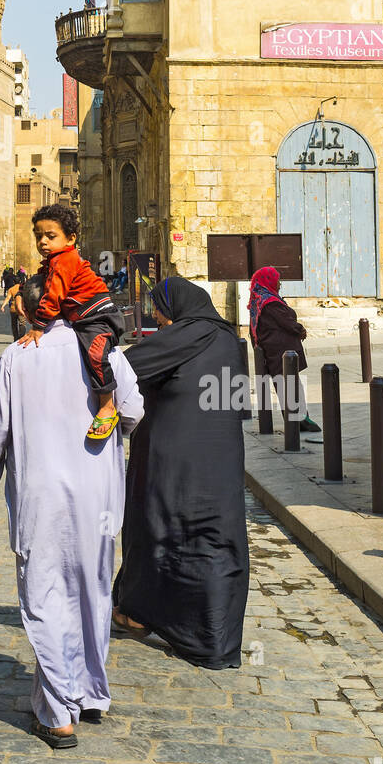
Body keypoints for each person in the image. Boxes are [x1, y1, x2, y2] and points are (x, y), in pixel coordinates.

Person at [0, 274, 144, 747]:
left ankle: (57, 712)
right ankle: (87, 692)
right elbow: (133, 411)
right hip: (97, 498)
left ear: (29, 310)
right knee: (91, 590)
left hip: (41, 498)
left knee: (46, 596)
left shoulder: (16, 358)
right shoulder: (103, 351)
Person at [113, 275, 249, 670]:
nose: (158, 318)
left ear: (177, 309)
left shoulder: (181, 337)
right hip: (221, 464)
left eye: (161, 310)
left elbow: (120, 368)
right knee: (214, 543)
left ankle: (139, 614)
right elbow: (238, 402)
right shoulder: (227, 339)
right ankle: (214, 638)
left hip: (171, 460)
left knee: (158, 528)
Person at [12, 204, 124, 442]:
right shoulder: (54, 260)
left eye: (50, 236)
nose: (43, 241)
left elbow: (53, 295)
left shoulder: (65, 260)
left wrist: (38, 326)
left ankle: (106, 405)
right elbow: (41, 280)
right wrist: (20, 291)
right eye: (38, 236)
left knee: (95, 353)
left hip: (98, 316)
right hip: (82, 317)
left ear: (70, 238)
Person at [249, 266, 319, 434]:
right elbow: (286, 321)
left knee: (286, 384)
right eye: (277, 280)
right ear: (269, 281)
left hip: (274, 351)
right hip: (280, 351)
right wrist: (300, 329)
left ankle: (297, 419)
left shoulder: (260, 298)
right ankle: (299, 420)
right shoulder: (270, 301)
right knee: (290, 385)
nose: (279, 284)